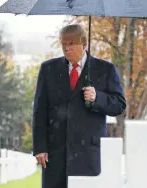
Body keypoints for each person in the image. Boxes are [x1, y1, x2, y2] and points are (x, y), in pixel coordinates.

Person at [32, 24, 126, 188]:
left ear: (84, 44)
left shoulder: (105, 69)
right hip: (56, 155)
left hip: (88, 154)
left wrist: (98, 97)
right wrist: (40, 147)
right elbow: (39, 111)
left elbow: (119, 104)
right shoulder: (48, 69)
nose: (67, 49)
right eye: (63, 44)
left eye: (71, 43)